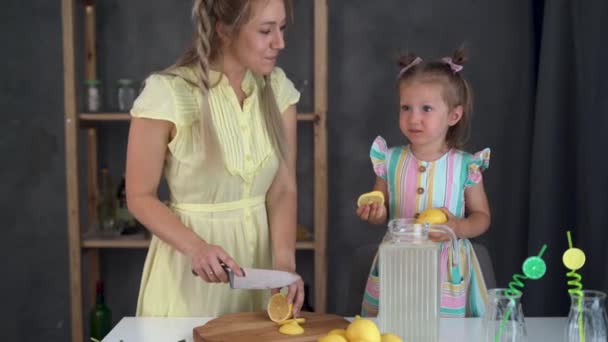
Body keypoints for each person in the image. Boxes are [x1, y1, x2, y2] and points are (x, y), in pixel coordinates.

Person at [125, 0, 304, 317]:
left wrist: (283, 266)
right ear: (224, 29)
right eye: (266, 30)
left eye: (282, 28)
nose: (280, 43)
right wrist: (197, 248)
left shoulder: (278, 90)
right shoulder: (168, 93)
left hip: (258, 283)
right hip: (189, 285)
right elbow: (139, 196)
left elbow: (283, 188)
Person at [356, 47, 491, 317]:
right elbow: (380, 213)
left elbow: (482, 217)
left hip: (446, 267)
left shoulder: (466, 166)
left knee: (446, 332)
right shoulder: (390, 160)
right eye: (406, 107)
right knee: (395, 327)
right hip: (399, 262)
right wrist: (375, 212)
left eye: (426, 109)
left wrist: (458, 227)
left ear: (454, 115)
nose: (413, 117)